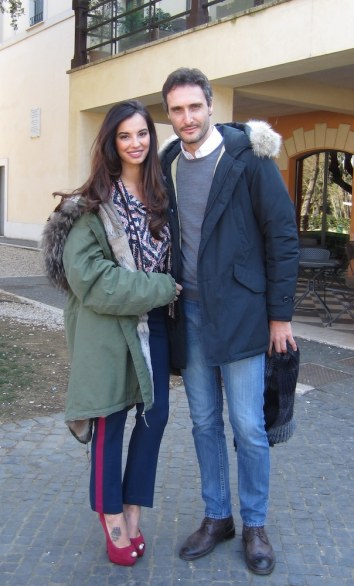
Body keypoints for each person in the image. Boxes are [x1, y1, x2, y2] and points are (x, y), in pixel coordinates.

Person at [160, 68, 299, 575]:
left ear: (210, 105)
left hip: (242, 314)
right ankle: (218, 516)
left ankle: (255, 524)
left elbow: (282, 235)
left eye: (194, 107)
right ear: (169, 114)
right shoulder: (168, 163)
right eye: (177, 109)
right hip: (190, 314)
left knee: (248, 425)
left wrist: (280, 315)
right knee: (202, 422)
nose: (187, 117)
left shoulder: (248, 159)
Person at [42, 100, 182, 567]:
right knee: (110, 422)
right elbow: (92, 279)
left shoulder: (163, 196)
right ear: (111, 142)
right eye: (124, 135)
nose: (135, 143)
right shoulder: (91, 205)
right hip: (109, 331)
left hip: (155, 325)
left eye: (142, 133)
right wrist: (161, 287)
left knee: (155, 417)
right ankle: (112, 518)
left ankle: (133, 506)